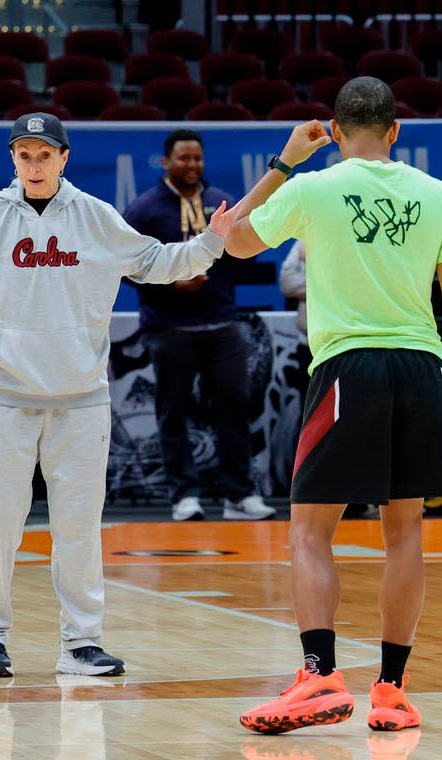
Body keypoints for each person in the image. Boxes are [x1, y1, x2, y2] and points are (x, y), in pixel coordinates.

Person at [0, 112, 290, 679]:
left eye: (45, 155)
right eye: (24, 154)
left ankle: (81, 643)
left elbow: (159, 263)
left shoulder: (95, 217)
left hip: (81, 401)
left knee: (79, 529)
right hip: (2, 401)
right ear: (13, 160)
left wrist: (211, 240)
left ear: (63, 159)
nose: (35, 164)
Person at [215, 78, 442, 734]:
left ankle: (319, 675)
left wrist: (283, 163)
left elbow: (235, 241)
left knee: (310, 531)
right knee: (405, 534)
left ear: (333, 131)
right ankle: (391, 691)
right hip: (420, 369)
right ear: (396, 132)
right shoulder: (441, 194)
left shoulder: (312, 187)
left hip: (347, 369)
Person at [124, 129, 275, 522]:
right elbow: (123, 266)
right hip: (168, 326)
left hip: (222, 322)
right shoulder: (144, 209)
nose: (191, 165)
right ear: (165, 162)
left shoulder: (218, 202)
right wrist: (172, 280)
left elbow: (245, 253)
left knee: (235, 409)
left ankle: (239, 495)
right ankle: (183, 496)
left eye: (197, 158)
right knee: (173, 412)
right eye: (183, 158)